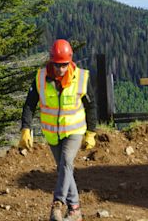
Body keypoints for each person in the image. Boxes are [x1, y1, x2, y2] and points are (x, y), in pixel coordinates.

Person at [19, 39, 97, 221]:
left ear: (69, 62)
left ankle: (57, 205)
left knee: (66, 163)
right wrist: (25, 128)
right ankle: (75, 210)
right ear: (51, 62)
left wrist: (91, 132)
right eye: (57, 65)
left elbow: (91, 106)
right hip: (52, 133)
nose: (60, 69)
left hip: (74, 130)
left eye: (64, 65)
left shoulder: (81, 78)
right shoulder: (40, 78)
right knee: (64, 170)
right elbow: (29, 105)